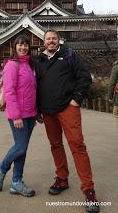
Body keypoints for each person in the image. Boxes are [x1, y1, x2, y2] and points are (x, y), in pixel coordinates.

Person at [36, 29, 99, 213]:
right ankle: (62, 178)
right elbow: (35, 85)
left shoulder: (69, 55)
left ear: (59, 40)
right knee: (55, 145)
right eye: (48, 39)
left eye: (54, 38)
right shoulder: (39, 61)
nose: (51, 41)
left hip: (67, 108)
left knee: (77, 146)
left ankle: (89, 190)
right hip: (48, 112)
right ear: (43, 41)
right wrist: (37, 108)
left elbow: (85, 77)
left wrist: (76, 100)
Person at [0, 34, 37, 197]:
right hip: (18, 114)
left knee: (22, 150)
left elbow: (33, 91)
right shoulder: (12, 65)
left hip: (31, 114)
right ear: (14, 47)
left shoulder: (29, 65)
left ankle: (16, 182)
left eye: (26, 45)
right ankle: (2, 167)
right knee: (20, 147)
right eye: (20, 45)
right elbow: (10, 91)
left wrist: (36, 112)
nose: (23, 47)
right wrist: (16, 116)